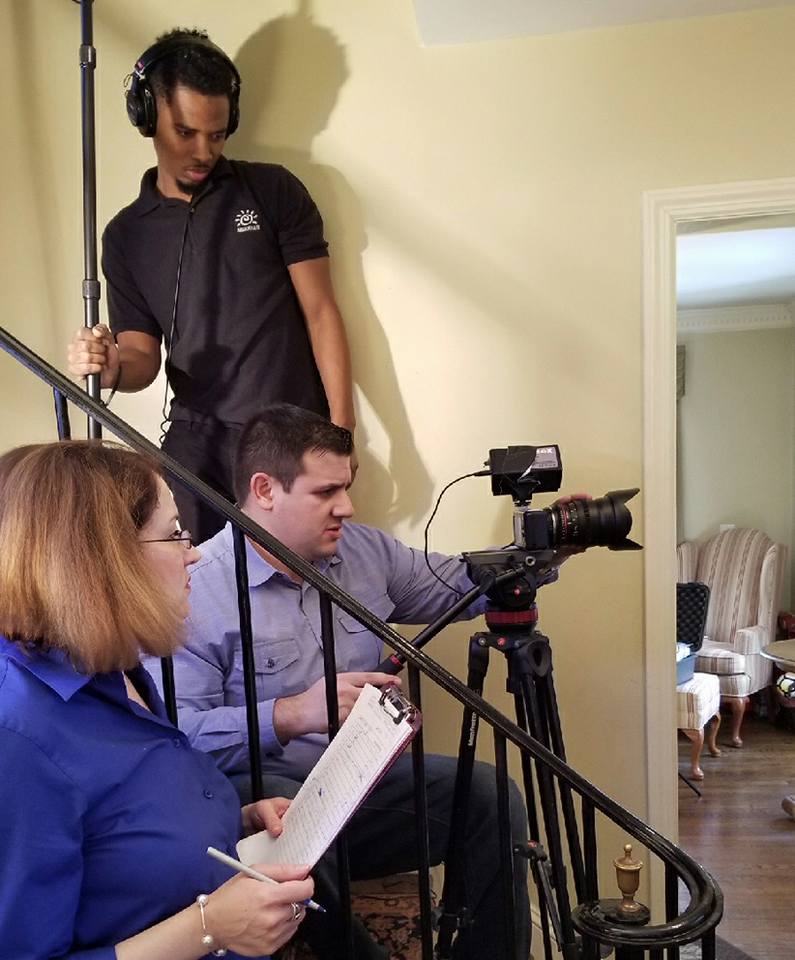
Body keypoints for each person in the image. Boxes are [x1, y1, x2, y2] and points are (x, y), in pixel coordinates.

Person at [158, 403, 555, 960]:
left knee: (489, 794)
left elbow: (459, 585)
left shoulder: (365, 552)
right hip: (265, 807)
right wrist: (291, 713)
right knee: (285, 808)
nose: (346, 506)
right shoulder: (196, 589)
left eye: (345, 487)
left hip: (360, 794)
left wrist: (543, 552)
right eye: (326, 492)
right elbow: (177, 739)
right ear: (265, 490)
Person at [0, 440, 314, 959]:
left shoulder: (112, 665)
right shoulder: (19, 736)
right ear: (103, 559)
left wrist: (231, 821)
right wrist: (208, 927)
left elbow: (115, 831)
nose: (194, 552)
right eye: (173, 534)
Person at [66, 28, 355, 544]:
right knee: (181, 566)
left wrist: (342, 431)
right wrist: (112, 367)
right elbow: (141, 356)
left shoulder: (273, 190)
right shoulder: (125, 235)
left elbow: (321, 313)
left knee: (296, 574)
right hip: (197, 440)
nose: (203, 151)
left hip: (289, 430)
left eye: (217, 135)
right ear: (147, 117)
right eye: (186, 132)